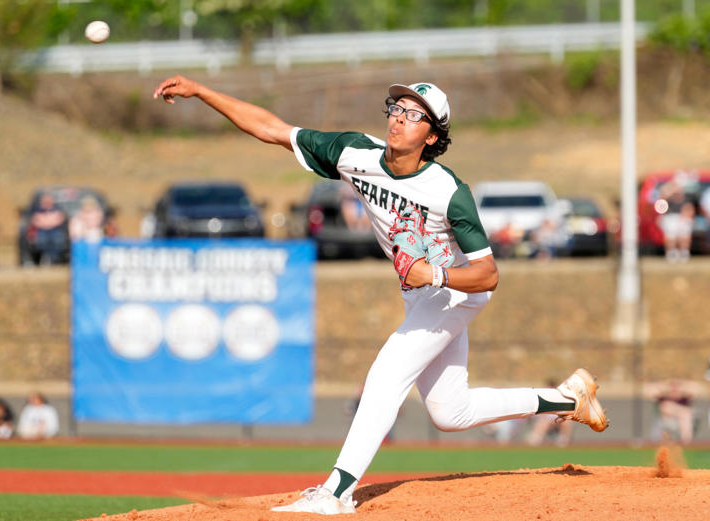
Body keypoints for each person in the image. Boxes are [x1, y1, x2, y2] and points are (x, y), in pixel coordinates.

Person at [153, 76, 610, 515]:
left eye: (414, 115)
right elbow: (274, 129)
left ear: (432, 137)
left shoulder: (449, 192)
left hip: (452, 292)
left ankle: (336, 492)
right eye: (398, 108)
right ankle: (569, 399)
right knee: (452, 412)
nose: (399, 118)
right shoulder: (357, 153)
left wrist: (432, 272)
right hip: (421, 296)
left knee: (388, 373)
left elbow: (488, 275)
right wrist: (201, 91)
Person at [644, 379, 698, 445]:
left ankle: (686, 442)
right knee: (667, 405)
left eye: (677, 386)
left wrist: (683, 385)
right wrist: (664, 386)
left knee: (686, 415)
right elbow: (647, 391)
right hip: (666, 420)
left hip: (681, 422)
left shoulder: (684, 399)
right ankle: (686, 441)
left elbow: (697, 389)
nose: (674, 389)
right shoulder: (664, 398)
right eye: (672, 386)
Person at [657, 179, 694, 263]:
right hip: (671, 218)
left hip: (683, 219)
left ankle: (684, 253)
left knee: (684, 236)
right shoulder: (668, 198)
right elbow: (661, 204)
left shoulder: (686, 199)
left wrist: (685, 217)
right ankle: (671, 253)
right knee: (671, 237)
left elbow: (689, 209)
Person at [30, 193, 67, 264]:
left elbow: (60, 219)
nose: (46, 202)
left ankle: (54, 259)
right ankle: (46, 257)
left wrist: (48, 223)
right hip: (42, 230)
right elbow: (35, 220)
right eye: (44, 201)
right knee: (42, 241)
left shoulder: (57, 209)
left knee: (58, 240)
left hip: (55, 230)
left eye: (48, 200)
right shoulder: (38, 210)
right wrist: (47, 223)